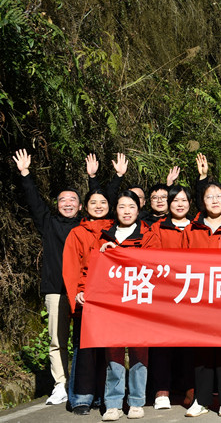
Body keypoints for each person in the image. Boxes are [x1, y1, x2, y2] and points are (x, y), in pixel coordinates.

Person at [12, 149, 82, 407]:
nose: (67, 203)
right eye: (63, 200)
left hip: (83, 291)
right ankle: (60, 384)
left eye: (72, 200)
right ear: (57, 204)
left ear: (80, 206)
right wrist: (25, 174)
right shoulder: (48, 223)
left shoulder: (87, 226)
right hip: (56, 289)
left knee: (86, 340)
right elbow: (34, 202)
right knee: (57, 340)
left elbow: (105, 204)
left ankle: (83, 383)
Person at [182, 181, 221, 417]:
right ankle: (202, 399)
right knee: (202, 351)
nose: (215, 200)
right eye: (210, 197)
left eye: (219, 196)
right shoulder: (191, 230)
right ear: (203, 201)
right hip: (200, 297)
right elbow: (181, 263)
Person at [95, 191, 158, 421]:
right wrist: (103, 253)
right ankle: (113, 403)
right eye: (122, 206)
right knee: (113, 353)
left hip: (139, 301)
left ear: (138, 210)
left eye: (131, 206)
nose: (127, 211)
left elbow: (155, 264)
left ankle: (136, 401)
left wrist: (122, 254)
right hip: (111, 303)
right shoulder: (103, 235)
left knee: (139, 353)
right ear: (116, 210)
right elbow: (91, 268)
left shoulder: (149, 236)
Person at [60, 188, 112, 415]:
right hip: (87, 298)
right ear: (86, 206)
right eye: (93, 202)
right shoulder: (77, 233)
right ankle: (81, 397)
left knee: (109, 350)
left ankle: (104, 395)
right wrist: (76, 297)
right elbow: (71, 269)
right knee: (84, 349)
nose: (98, 206)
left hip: (112, 299)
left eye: (103, 202)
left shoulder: (117, 230)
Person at [148, 185, 194, 410]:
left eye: (184, 200)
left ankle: (190, 388)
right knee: (162, 343)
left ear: (190, 203)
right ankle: (162, 390)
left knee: (190, 344)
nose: (179, 204)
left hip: (192, 294)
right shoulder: (157, 228)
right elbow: (150, 257)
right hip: (164, 295)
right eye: (175, 200)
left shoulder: (198, 227)